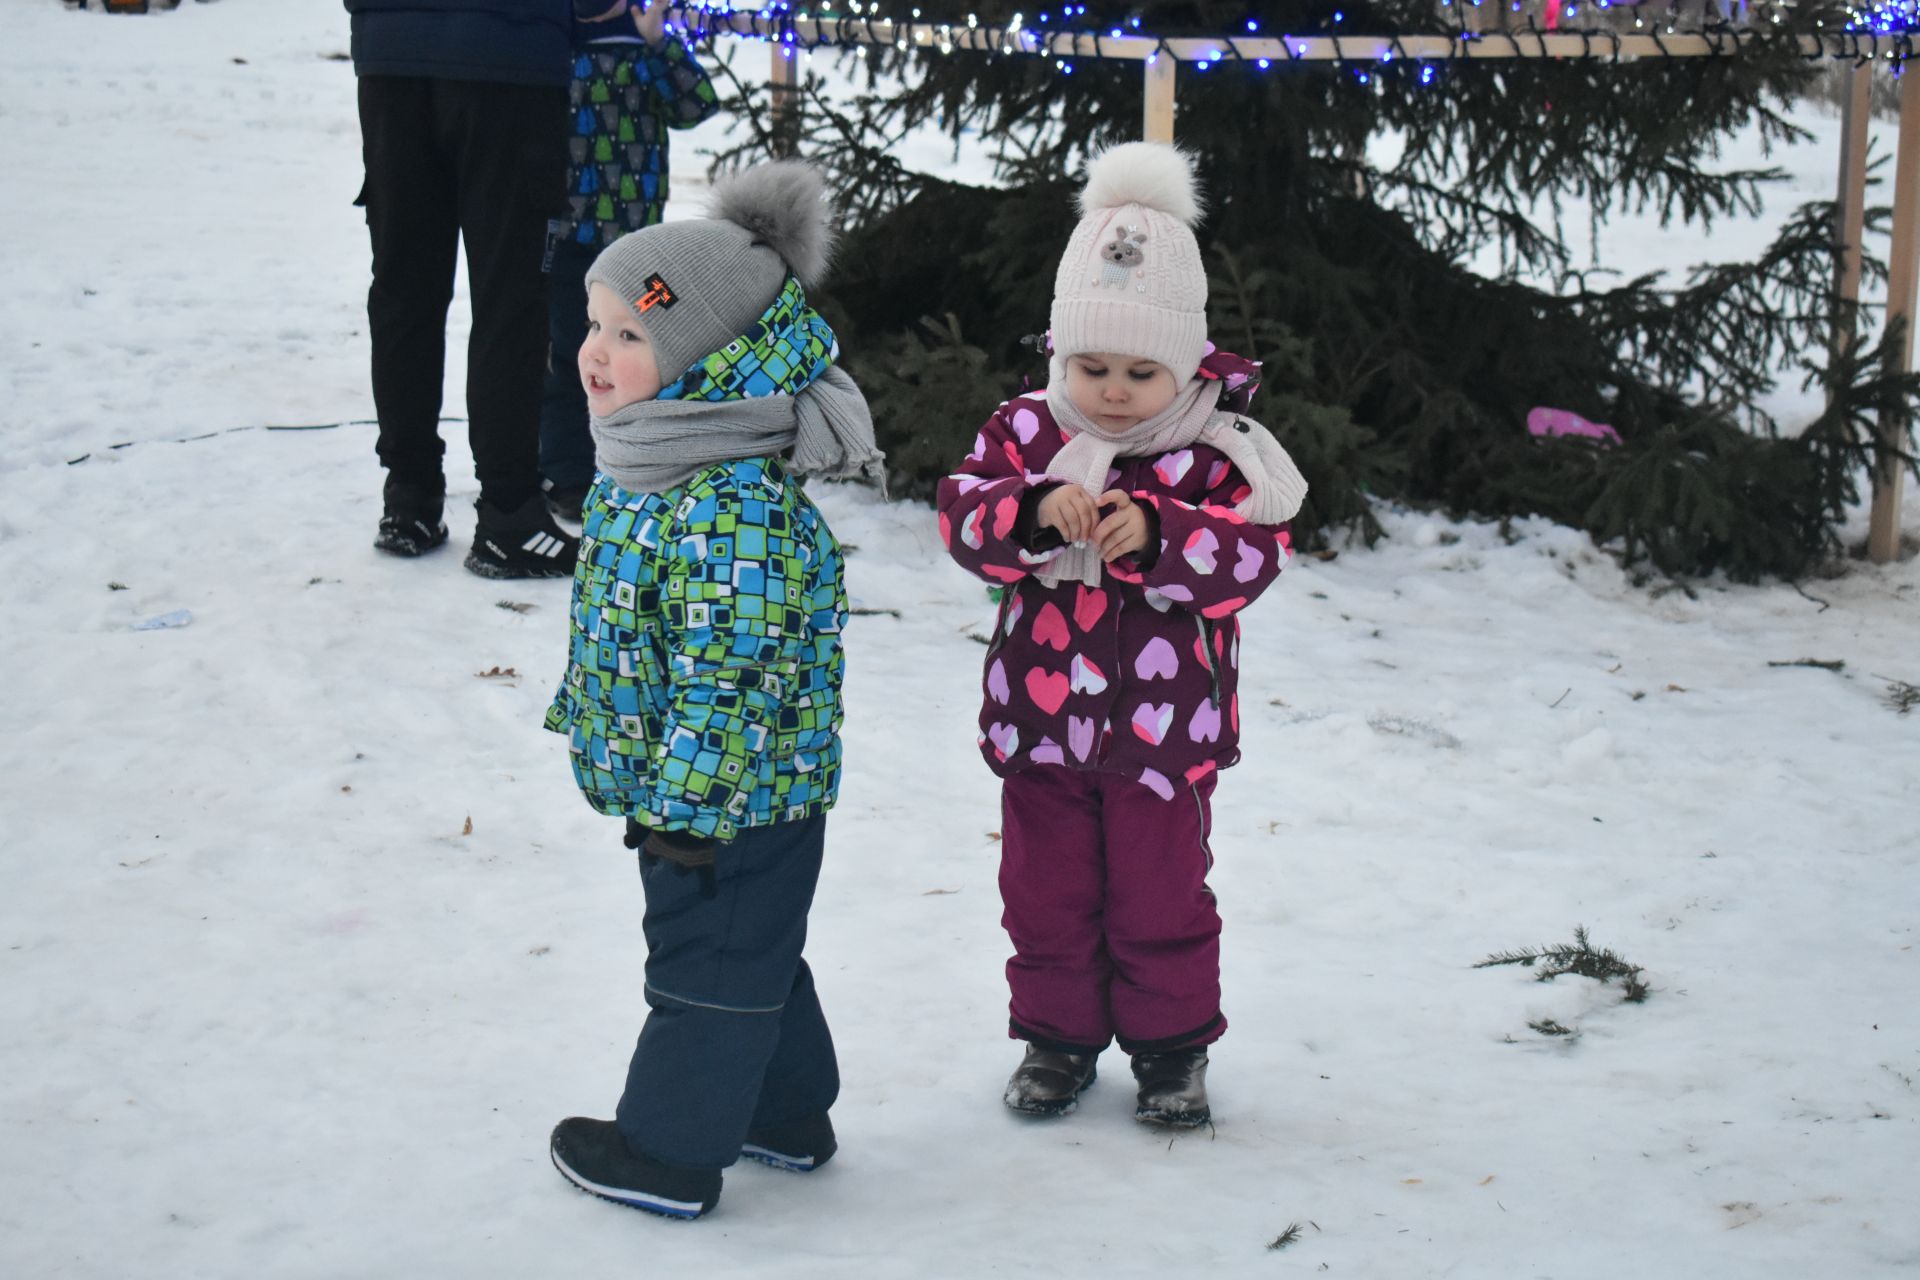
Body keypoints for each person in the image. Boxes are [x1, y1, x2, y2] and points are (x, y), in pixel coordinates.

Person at [936, 142, 1308, 1129]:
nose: (1110, 390)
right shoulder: (1026, 434)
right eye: (1089, 364)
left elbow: (1252, 560)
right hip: (1042, 726)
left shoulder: (1212, 454)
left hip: (1162, 738)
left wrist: (1163, 532)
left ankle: (1170, 1049)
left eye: (1140, 371)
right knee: (1045, 894)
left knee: (1161, 899)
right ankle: (1055, 1040)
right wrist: (1025, 512)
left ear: (1184, 362)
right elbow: (961, 515)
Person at [542, 160, 882, 1220]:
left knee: (704, 961)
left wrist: (685, 802)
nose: (597, 352)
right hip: (698, 782)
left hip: (731, 794)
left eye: (631, 336)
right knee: (747, 946)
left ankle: (670, 1148)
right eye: (596, 324)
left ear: (707, 360)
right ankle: (782, 1110)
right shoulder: (658, 463)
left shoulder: (732, 507)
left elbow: (733, 676)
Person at [345, 0, 583, 578]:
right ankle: (509, 514)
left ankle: (409, 499)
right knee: (511, 297)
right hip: (510, 53)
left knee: (404, 289)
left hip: (391, 53)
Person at [541, 0, 720, 521]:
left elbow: (697, 105)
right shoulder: (556, 38)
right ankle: (567, 473)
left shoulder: (642, 43)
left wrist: (659, 42)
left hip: (640, 249)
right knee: (569, 354)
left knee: (647, 355)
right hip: (567, 239)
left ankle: (640, 465)